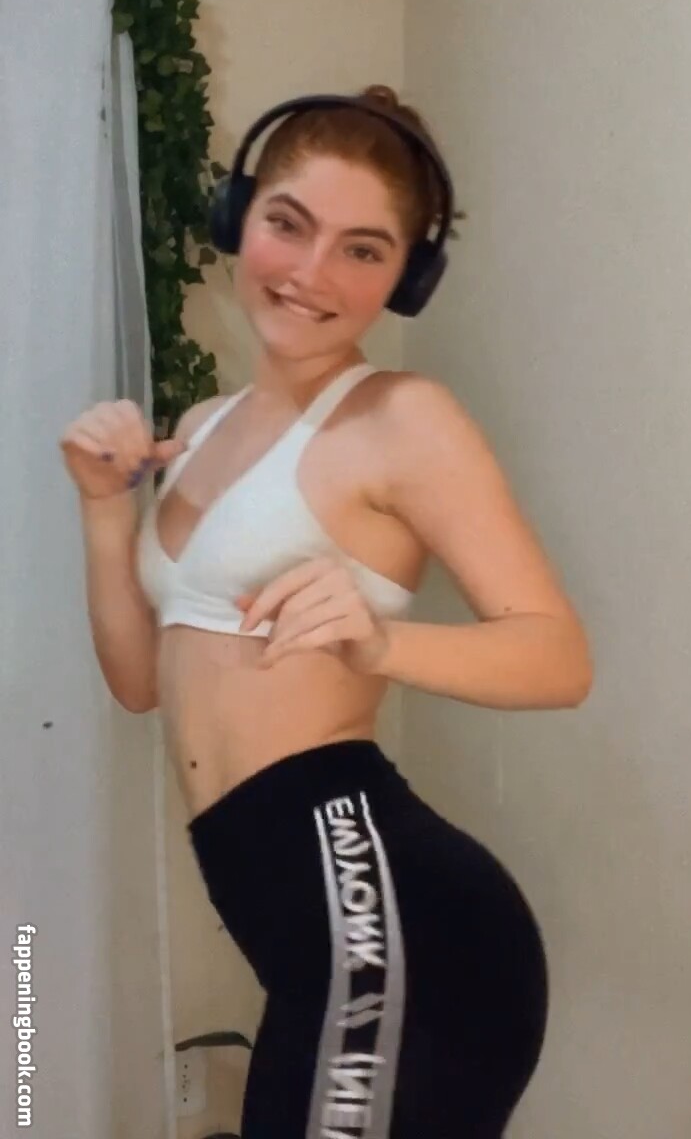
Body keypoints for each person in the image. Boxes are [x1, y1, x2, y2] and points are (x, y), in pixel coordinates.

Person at [60, 85, 593, 1138]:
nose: (311, 272)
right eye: (289, 223)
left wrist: (382, 640)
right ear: (240, 218)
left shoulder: (403, 419)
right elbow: (139, 684)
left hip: (399, 928)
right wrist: (104, 510)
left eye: (363, 249)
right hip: (303, 926)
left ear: (407, 278)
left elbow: (559, 657)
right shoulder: (201, 429)